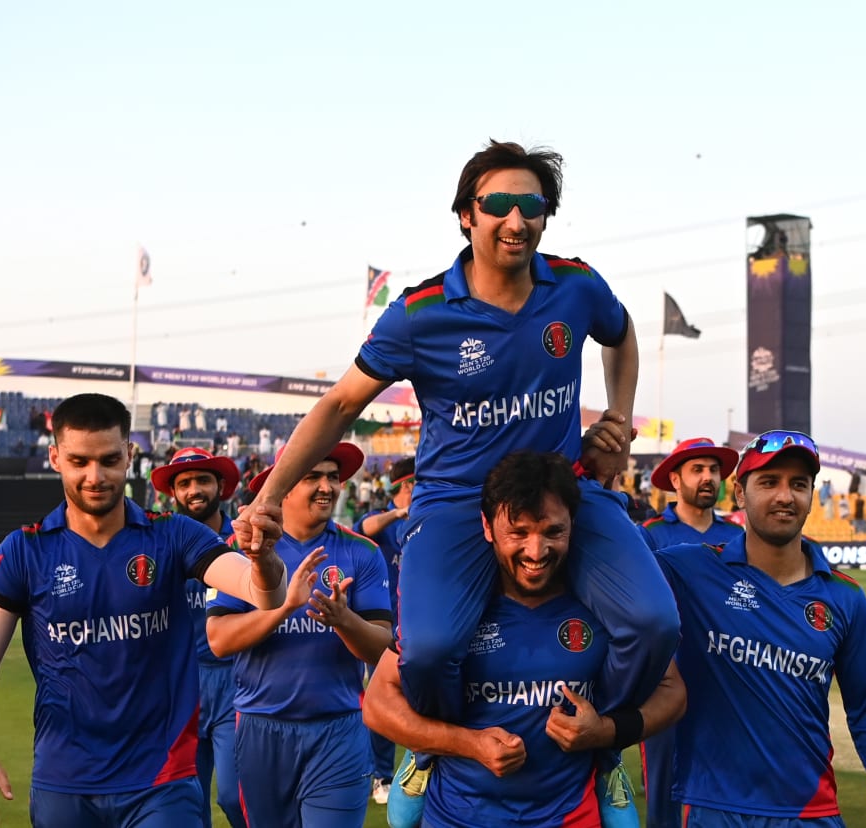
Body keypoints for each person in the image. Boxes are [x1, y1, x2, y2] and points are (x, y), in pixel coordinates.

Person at [235, 140, 675, 749]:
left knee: (655, 623)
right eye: (498, 204)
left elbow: (621, 336)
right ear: (467, 215)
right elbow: (339, 405)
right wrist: (267, 497)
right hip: (457, 503)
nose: (516, 221)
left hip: (558, 496)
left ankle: (594, 740)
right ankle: (443, 750)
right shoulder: (421, 312)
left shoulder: (575, 286)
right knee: (430, 651)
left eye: (532, 205)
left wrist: (620, 423)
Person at [0, 393, 288, 828]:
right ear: (55, 457)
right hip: (64, 782)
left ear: (130, 455)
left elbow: (264, 594)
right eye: (79, 461)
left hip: (161, 781)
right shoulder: (25, 550)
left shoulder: (172, 535)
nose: (95, 476)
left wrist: (263, 558)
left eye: (109, 460)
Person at [363, 450, 684, 828]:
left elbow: (673, 691)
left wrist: (607, 733)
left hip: (571, 816)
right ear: (487, 527)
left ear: (573, 525)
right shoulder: (455, 608)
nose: (536, 552)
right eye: (518, 532)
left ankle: (606, 763)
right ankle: (423, 757)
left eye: (553, 532)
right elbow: (378, 705)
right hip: (458, 816)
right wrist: (468, 744)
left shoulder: (602, 604)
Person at [655, 430, 866, 827]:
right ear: (739, 492)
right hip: (714, 808)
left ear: (812, 494)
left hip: (810, 811)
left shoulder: (845, 598)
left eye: (798, 484)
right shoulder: (687, 569)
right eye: (769, 482)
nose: (785, 496)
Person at [207, 443, 394, 828]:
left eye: (333, 477)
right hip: (261, 729)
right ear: (285, 486)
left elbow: (382, 649)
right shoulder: (243, 550)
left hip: (339, 730)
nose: (326, 486)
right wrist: (284, 606)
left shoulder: (363, 552)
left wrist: (344, 620)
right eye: (312, 476)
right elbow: (219, 639)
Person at [636, 437, 744, 828]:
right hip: (666, 685)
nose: (708, 478)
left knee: (728, 798)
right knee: (664, 800)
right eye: (697, 469)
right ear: (675, 480)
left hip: (728, 688)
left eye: (714, 470)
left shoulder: (740, 539)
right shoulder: (648, 535)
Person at [150, 447, 245, 828]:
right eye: (184, 483)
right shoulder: (161, 542)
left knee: (236, 797)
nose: (194, 490)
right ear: (173, 493)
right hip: (180, 687)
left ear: (220, 486)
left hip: (235, 680)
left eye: (202, 480)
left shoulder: (243, 538)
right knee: (189, 805)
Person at [354, 455, 417, 803]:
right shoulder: (384, 520)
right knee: (384, 700)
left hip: (416, 627)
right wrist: (397, 514)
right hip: (382, 628)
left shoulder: (425, 518)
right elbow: (365, 528)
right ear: (407, 486)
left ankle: (422, 768)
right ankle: (381, 776)